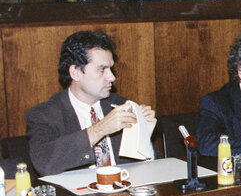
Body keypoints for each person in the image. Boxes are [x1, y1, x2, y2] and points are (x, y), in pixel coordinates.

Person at [25, 31, 157, 176]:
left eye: (111, 68)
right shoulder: (44, 114)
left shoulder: (120, 105)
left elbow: (145, 171)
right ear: (75, 73)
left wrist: (143, 138)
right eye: (102, 69)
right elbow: (44, 163)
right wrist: (100, 129)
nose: (112, 77)